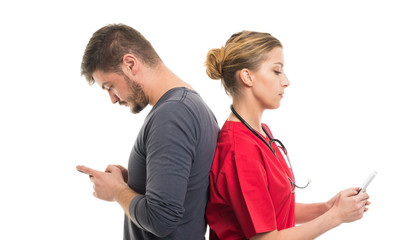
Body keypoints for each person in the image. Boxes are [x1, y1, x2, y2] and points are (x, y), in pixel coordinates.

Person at [204, 31, 371, 240]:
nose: (286, 81)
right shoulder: (240, 150)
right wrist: (335, 217)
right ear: (248, 76)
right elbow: (264, 238)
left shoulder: (261, 133)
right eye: (276, 71)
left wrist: (328, 207)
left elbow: (272, 209)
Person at [76, 24, 219, 240]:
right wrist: (135, 181)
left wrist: (117, 191)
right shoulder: (192, 106)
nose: (113, 99)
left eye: (109, 86)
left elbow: (161, 219)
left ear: (130, 64)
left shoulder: (173, 114)